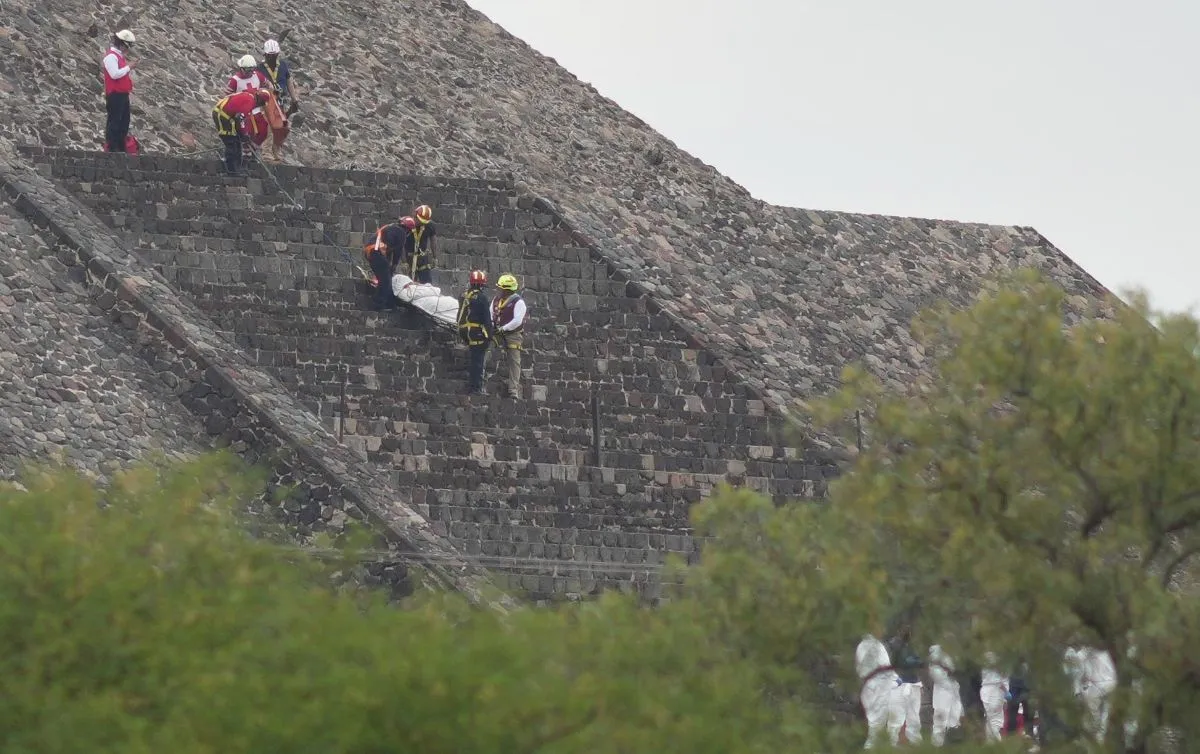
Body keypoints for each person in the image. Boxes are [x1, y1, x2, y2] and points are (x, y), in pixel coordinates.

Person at [258, 39, 301, 162]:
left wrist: (294, 99)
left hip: (280, 101)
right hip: (267, 101)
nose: (272, 58)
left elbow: (289, 81)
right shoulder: (260, 68)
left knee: (283, 127)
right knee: (269, 126)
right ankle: (266, 152)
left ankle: (276, 149)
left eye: (274, 55)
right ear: (265, 55)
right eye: (269, 56)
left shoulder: (282, 65)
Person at [212, 89, 272, 175]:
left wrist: (244, 134)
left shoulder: (249, 97)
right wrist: (244, 134)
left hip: (227, 116)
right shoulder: (250, 102)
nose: (260, 106)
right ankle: (231, 170)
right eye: (262, 103)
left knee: (236, 141)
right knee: (231, 141)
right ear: (260, 100)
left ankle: (234, 168)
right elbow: (239, 118)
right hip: (222, 115)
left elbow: (242, 120)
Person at [855, 634, 898, 749]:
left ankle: (877, 746)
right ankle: (871, 748)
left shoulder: (864, 647)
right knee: (876, 722)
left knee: (878, 720)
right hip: (877, 686)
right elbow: (883, 667)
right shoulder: (872, 646)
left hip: (873, 686)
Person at [491, 273, 527, 398]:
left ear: (507, 290)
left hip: (513, 333)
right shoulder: (496, 300)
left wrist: (504, 328)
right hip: (497, 331)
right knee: (486, 348)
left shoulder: (519, 302)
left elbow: (517, 321)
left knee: (514, 360)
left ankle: (513, 390)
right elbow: (491, 313)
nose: (498, 290)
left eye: (500, 288)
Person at [226, 55, 270, 159]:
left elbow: (267, 84)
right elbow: (228, 96)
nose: (250, 72)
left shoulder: (258, 75)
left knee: (263, 129)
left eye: (252, 70)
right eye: (247, 70)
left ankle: (254, 148)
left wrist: (268, 89)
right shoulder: (235, 80)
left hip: (256, 108)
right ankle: (245, 152)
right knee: (247, 130)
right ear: (241, 68)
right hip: (243, 111)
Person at [457, 270, 492, 396]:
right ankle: (475, 387)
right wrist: (489, 336)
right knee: (478, 360)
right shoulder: (482, 298)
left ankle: (472, 386)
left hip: (464, 331)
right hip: (477, 333)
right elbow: (486, 319)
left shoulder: (463, 295)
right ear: (482, 285)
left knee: (473, 358)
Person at [101, 29, 136, 153]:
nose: (128, 50)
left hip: (122, 94)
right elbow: (114, 74)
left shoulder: (118, 57)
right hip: (115, 94)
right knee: (115, 120)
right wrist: (128, 67)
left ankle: (121, 146)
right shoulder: (111, 56)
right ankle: (112, 146)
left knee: (123, 121)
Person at [888, 632, 924, 745]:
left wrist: (913, 661)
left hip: (914, 684)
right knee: (896, 720)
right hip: (899, 685)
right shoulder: (894, 644)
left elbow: (921, 661)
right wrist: (910, 661)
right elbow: (902, 662)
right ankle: (891, 746)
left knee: (914, 719)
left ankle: (916, 744)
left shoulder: (912, 646)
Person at [929, 645, 963, 747]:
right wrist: (947, 683)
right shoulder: (936, 651)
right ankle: (937, 746)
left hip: (954, 689)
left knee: (955, 719)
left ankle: (952, 745)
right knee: (940, 721)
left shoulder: (954, 651)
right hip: (942, 691)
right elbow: (935, 672)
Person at [401, 204, 437, 283]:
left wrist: (435, 257)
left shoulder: (430, 225)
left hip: (422, 260)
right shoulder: (406, 224)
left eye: (424, 222)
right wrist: (404, 262)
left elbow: (433, 241)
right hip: (409, 259)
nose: (422, 223)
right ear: (415, 215)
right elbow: (401, 244)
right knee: (408, 286)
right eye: (420, 221)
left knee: (427, 285)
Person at [980, 652, 1009, 742]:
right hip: (992, 688)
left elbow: (1004, 675)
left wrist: (1005, 693)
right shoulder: (989, 654)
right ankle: (995, 745)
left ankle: (992, 745)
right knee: (993, 720)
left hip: (993, 688)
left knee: (992, 720)